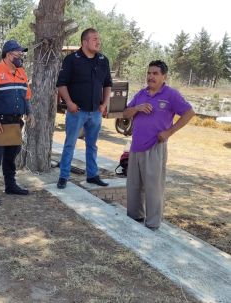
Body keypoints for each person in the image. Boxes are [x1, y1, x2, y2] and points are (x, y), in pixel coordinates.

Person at [123, 60, 194, 231]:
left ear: (164, 76)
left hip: (155, 147)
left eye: (155, 73)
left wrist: (169, 132)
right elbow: (125, 113)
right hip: (136, 147)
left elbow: (189, 113)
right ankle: (134, 218)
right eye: (149, 73)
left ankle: (152, 224)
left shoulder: (171, 95)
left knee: (153, 188)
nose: (150, 77)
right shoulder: (141, 94)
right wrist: (137, 108)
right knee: (133, 186)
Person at [56, 28, 112, 189]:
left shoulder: (103, 60)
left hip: (95, 112)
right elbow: (61, 84)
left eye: (98, 38)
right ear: (84, 42)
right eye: (94, 39)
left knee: (92, 145)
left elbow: (107, 84)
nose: (98, 42)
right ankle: (63, 176)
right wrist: (69, 103)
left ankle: (92, 175)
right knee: (70, 144)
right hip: (77, 112)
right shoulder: (72, 60)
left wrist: (104, 104)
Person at [0, 40, 35, 205]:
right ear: (7, 55)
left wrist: (30, 112)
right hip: (0, 123)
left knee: (11, 156)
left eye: (21, 54)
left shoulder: (21, 72)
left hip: (15, 123)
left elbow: (26, 96)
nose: (21, 57)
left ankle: (10, 185)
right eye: (18, 54)